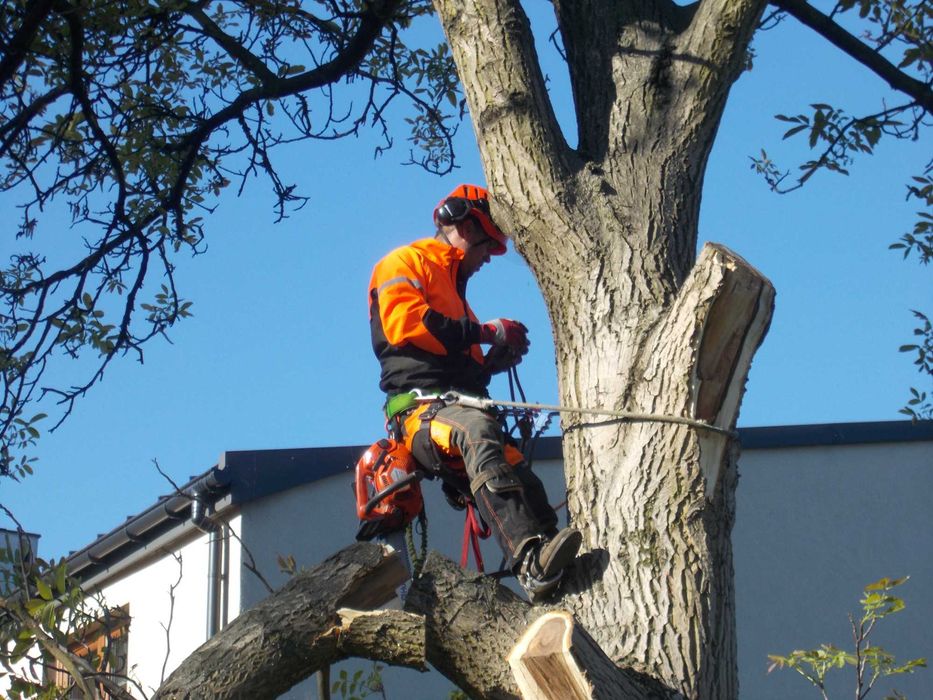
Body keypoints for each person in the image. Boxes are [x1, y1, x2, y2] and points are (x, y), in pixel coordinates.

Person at [368, 183, 581, 601]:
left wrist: (492, 359)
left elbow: (461, 370)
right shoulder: (403, 263)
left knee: (519, 471)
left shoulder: (458, 299)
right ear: (465, 227)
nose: (488, 258)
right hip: (421, 413)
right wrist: (487, 331)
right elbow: (408, 326)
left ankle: (558, 565)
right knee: (476, 432)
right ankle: (529, 562)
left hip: (454, 406)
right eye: (488, 246)